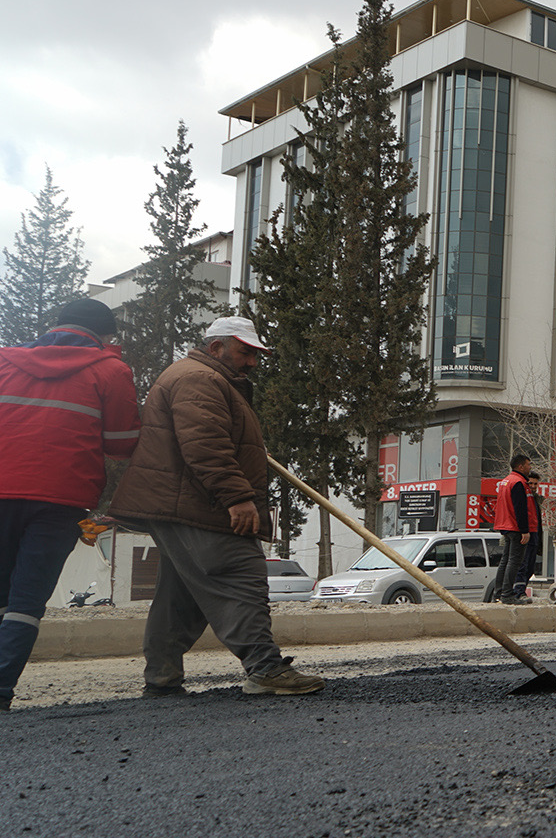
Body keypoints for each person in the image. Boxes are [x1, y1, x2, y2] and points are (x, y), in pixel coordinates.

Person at [107, 316, 323, 697]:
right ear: (216, 347)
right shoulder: (199, 380)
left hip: (181, 502)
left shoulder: (203, 378)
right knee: (239, 574)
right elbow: (205, 444)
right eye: (245, 352)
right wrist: (237, 497)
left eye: (256, 354)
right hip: (198, 504)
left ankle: (161, 677)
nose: (253, 362)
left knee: (180, 593)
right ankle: (264, 668)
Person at [0, 300, 141, 711]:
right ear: (105, 336)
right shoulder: (111, 370)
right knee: (27, 601)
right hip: (60, 498)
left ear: (56, 324)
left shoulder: (5, 360)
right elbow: (121, 445)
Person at [490, 454, 538, 604]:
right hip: (515, 527)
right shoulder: (518, 482)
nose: (530, 467)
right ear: (521, 466)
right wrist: (524, 530)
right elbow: (520, 508)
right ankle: (507, 595)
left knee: (505, 561)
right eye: (528, 464)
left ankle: (498, 594)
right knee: (514, 561)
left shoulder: (506, 481)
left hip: (506, 526)